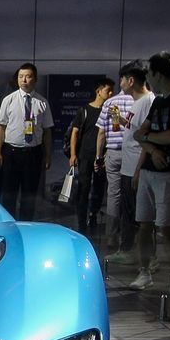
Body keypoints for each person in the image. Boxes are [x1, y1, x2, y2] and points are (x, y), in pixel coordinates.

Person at [130, 52, 170, 292]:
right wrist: (152, 150)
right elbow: (138, 134)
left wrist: (149, 140)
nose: (148, 78)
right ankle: (144, 272)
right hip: (150, 169)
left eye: (149, 73)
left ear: (158, 74)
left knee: (166, 227)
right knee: (144, 224)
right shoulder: (158, 101)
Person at [98, 62, 152, 264]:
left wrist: (138, 170)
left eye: (121, 78)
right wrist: (119, 119)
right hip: (128, 166)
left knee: (140, 214)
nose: (119, 82)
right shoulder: (137, 102)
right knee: (128, 211)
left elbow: (146, 138)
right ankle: (127, 249)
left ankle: (146, 257)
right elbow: (132, 127)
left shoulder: (148, 102)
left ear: (130, 80)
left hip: (136, 166)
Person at [0, 63, 54, 221]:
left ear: (35, 79)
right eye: (21, 77)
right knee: (9, 193)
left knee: (29, 194)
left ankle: (26, 224)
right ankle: (9, 224)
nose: (24, 80)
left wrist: (48, 155)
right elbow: (1, 127)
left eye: (28, 76)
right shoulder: (9, 100)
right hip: (11, 152)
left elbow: (47, 131)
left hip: (33, 153)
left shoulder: (42, 102)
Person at [70, 78, 112, 235]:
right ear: (98, 91)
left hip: (102, 156)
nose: (110, 94)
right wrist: (73, 154)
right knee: (84, 187)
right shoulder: (84, 110)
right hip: (85, 154)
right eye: (108, 90)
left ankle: (93, 215)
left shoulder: (110, 111)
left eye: (112, 91)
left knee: (99, 188)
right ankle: (81, 219)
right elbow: (75, 133)